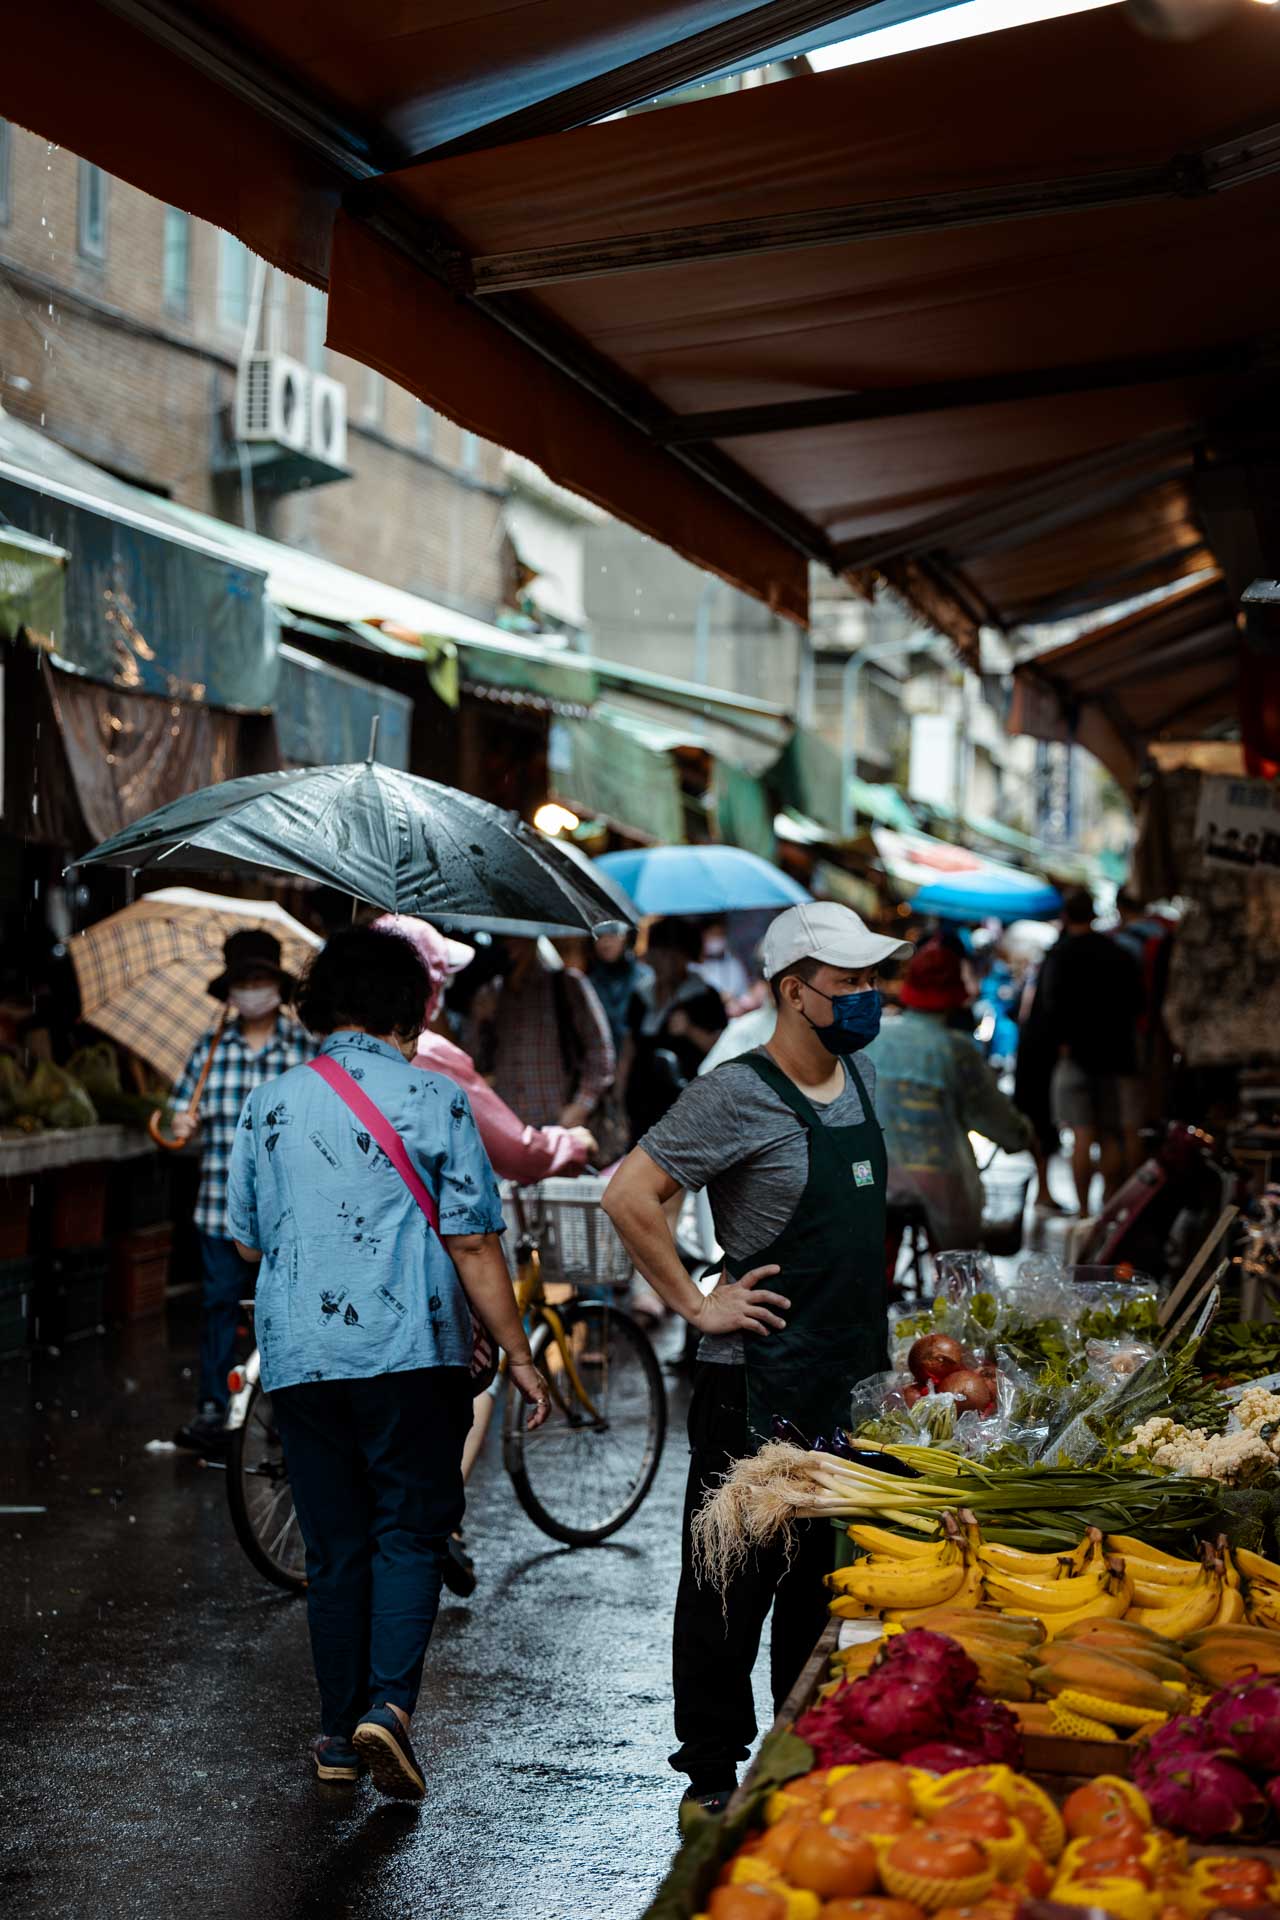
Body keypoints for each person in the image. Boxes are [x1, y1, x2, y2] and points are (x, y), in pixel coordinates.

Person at [602, 901, 912, 1824]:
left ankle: (797, 1751)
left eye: (870, 980)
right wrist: (698, 1303)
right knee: (731, 1581)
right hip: (756, 1382)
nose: (868, 997)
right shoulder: (737, 1091)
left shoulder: (853, 1079)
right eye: (850, 982)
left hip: (844, 1377)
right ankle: (708, 1773)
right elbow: (630, 1194)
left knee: (822, 1580)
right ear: (793, 991)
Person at [226, 925, 550, 1798]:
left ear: (319, 1005)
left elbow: (248, 1241)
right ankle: (389, 1712)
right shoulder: (433, 1097)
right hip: (412, 1355)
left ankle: (336, 1737)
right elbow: (476, 1243)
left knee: (334, 1549)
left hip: (300, 1358)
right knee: (409, 1529)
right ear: (411, 1009)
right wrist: (520, 1355)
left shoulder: (267, 1104)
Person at [376, 913, 596, 1596]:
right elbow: (502, 1177)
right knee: (471, 1368)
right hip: (421, 1263)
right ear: (428, 985)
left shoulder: (307, 1068)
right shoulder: (435, 1061)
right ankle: (436, 1520)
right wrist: (571, 1145)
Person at [169, 930, 316, 1454]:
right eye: (244, 982)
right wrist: (178, 1122)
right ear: (230, 991)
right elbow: (175, 1117)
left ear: (277, 986)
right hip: (219, 1208)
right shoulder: (208, 1050)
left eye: (261, 980)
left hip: (288, 1211)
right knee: (218, 1305)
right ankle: (213, 1407)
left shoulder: (305, 1049)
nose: (253, 990)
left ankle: (282, 1409)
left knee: (285, 1309)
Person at [866, 940, 1033, 1254]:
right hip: (941, 1186)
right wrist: (1020, 1136)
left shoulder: (874, 1037)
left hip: (878, 1179)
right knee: (958, 1266)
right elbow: (991, 1115)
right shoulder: (957, 1049)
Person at [1037, 889, 1146, 1213]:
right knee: (1111, 1133)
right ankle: (1109, 1207)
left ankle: (1084, 1210)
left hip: (1075, 1057)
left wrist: (1063, 1044)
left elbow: (1049, 1008)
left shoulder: (1060, 954)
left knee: (1081, 1135)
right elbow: (1136, 1003)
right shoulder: (1118, 952)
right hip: (1115, 1057)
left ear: (1067, 916)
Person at [478, 937, 616, 1133]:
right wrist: (480, 1020)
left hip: (556, 1123)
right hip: (507, 1125)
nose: (509, 946)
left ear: (532, 941)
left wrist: (581, 1106)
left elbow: (601, 1051)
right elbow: (471, 1060)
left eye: (516, 939)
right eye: (504, 940)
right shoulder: (492, 992)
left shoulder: (566, 984)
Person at [625, 917, 728, 1141]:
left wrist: (689, 1030)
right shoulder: (640, 995)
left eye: (670, 954)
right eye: (658, 953)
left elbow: (722, 1050)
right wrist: (617, 1095)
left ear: (684, 956)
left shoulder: (704, 997)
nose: (663, 962)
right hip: (640, 1104)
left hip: (685, 1106)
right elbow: (629, 1047)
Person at [695, 920, 750, 1007]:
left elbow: (744, 993)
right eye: (714, 934)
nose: (718, 938)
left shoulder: (734, 964)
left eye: (721, 934)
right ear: (703, 936)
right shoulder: (693, 967)